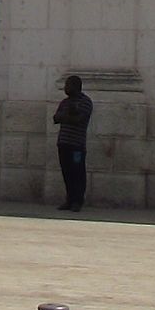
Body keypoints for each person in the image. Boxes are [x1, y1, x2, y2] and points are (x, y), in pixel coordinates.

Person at [51, 74, 93, 211]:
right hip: (63, 143)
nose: (65, 88)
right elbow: (56, 118)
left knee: (78, 172)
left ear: (76, 86)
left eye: (68, 85)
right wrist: (68, 115)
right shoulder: (64, 102)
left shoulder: (85, 102)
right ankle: (69, 199)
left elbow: (79, 119)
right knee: (67, 172)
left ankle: (78, 201)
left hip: (77, 145)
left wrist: (67, 116)